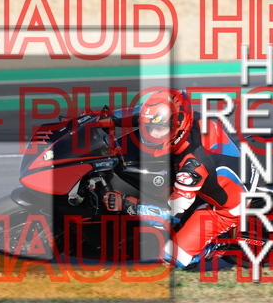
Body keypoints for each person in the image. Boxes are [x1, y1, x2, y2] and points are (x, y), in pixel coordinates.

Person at [104, 88, 254, 269]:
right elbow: (147, 116)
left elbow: (169, 214)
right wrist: (112, 119)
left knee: (169, 258)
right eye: (149, 129)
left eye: (160, 130)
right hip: (223, 166)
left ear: (178, 124)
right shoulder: (186, 116)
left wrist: (127, 204)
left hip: (227, 207)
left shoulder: (192, 168)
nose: (152, 135)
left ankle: (212, 247)